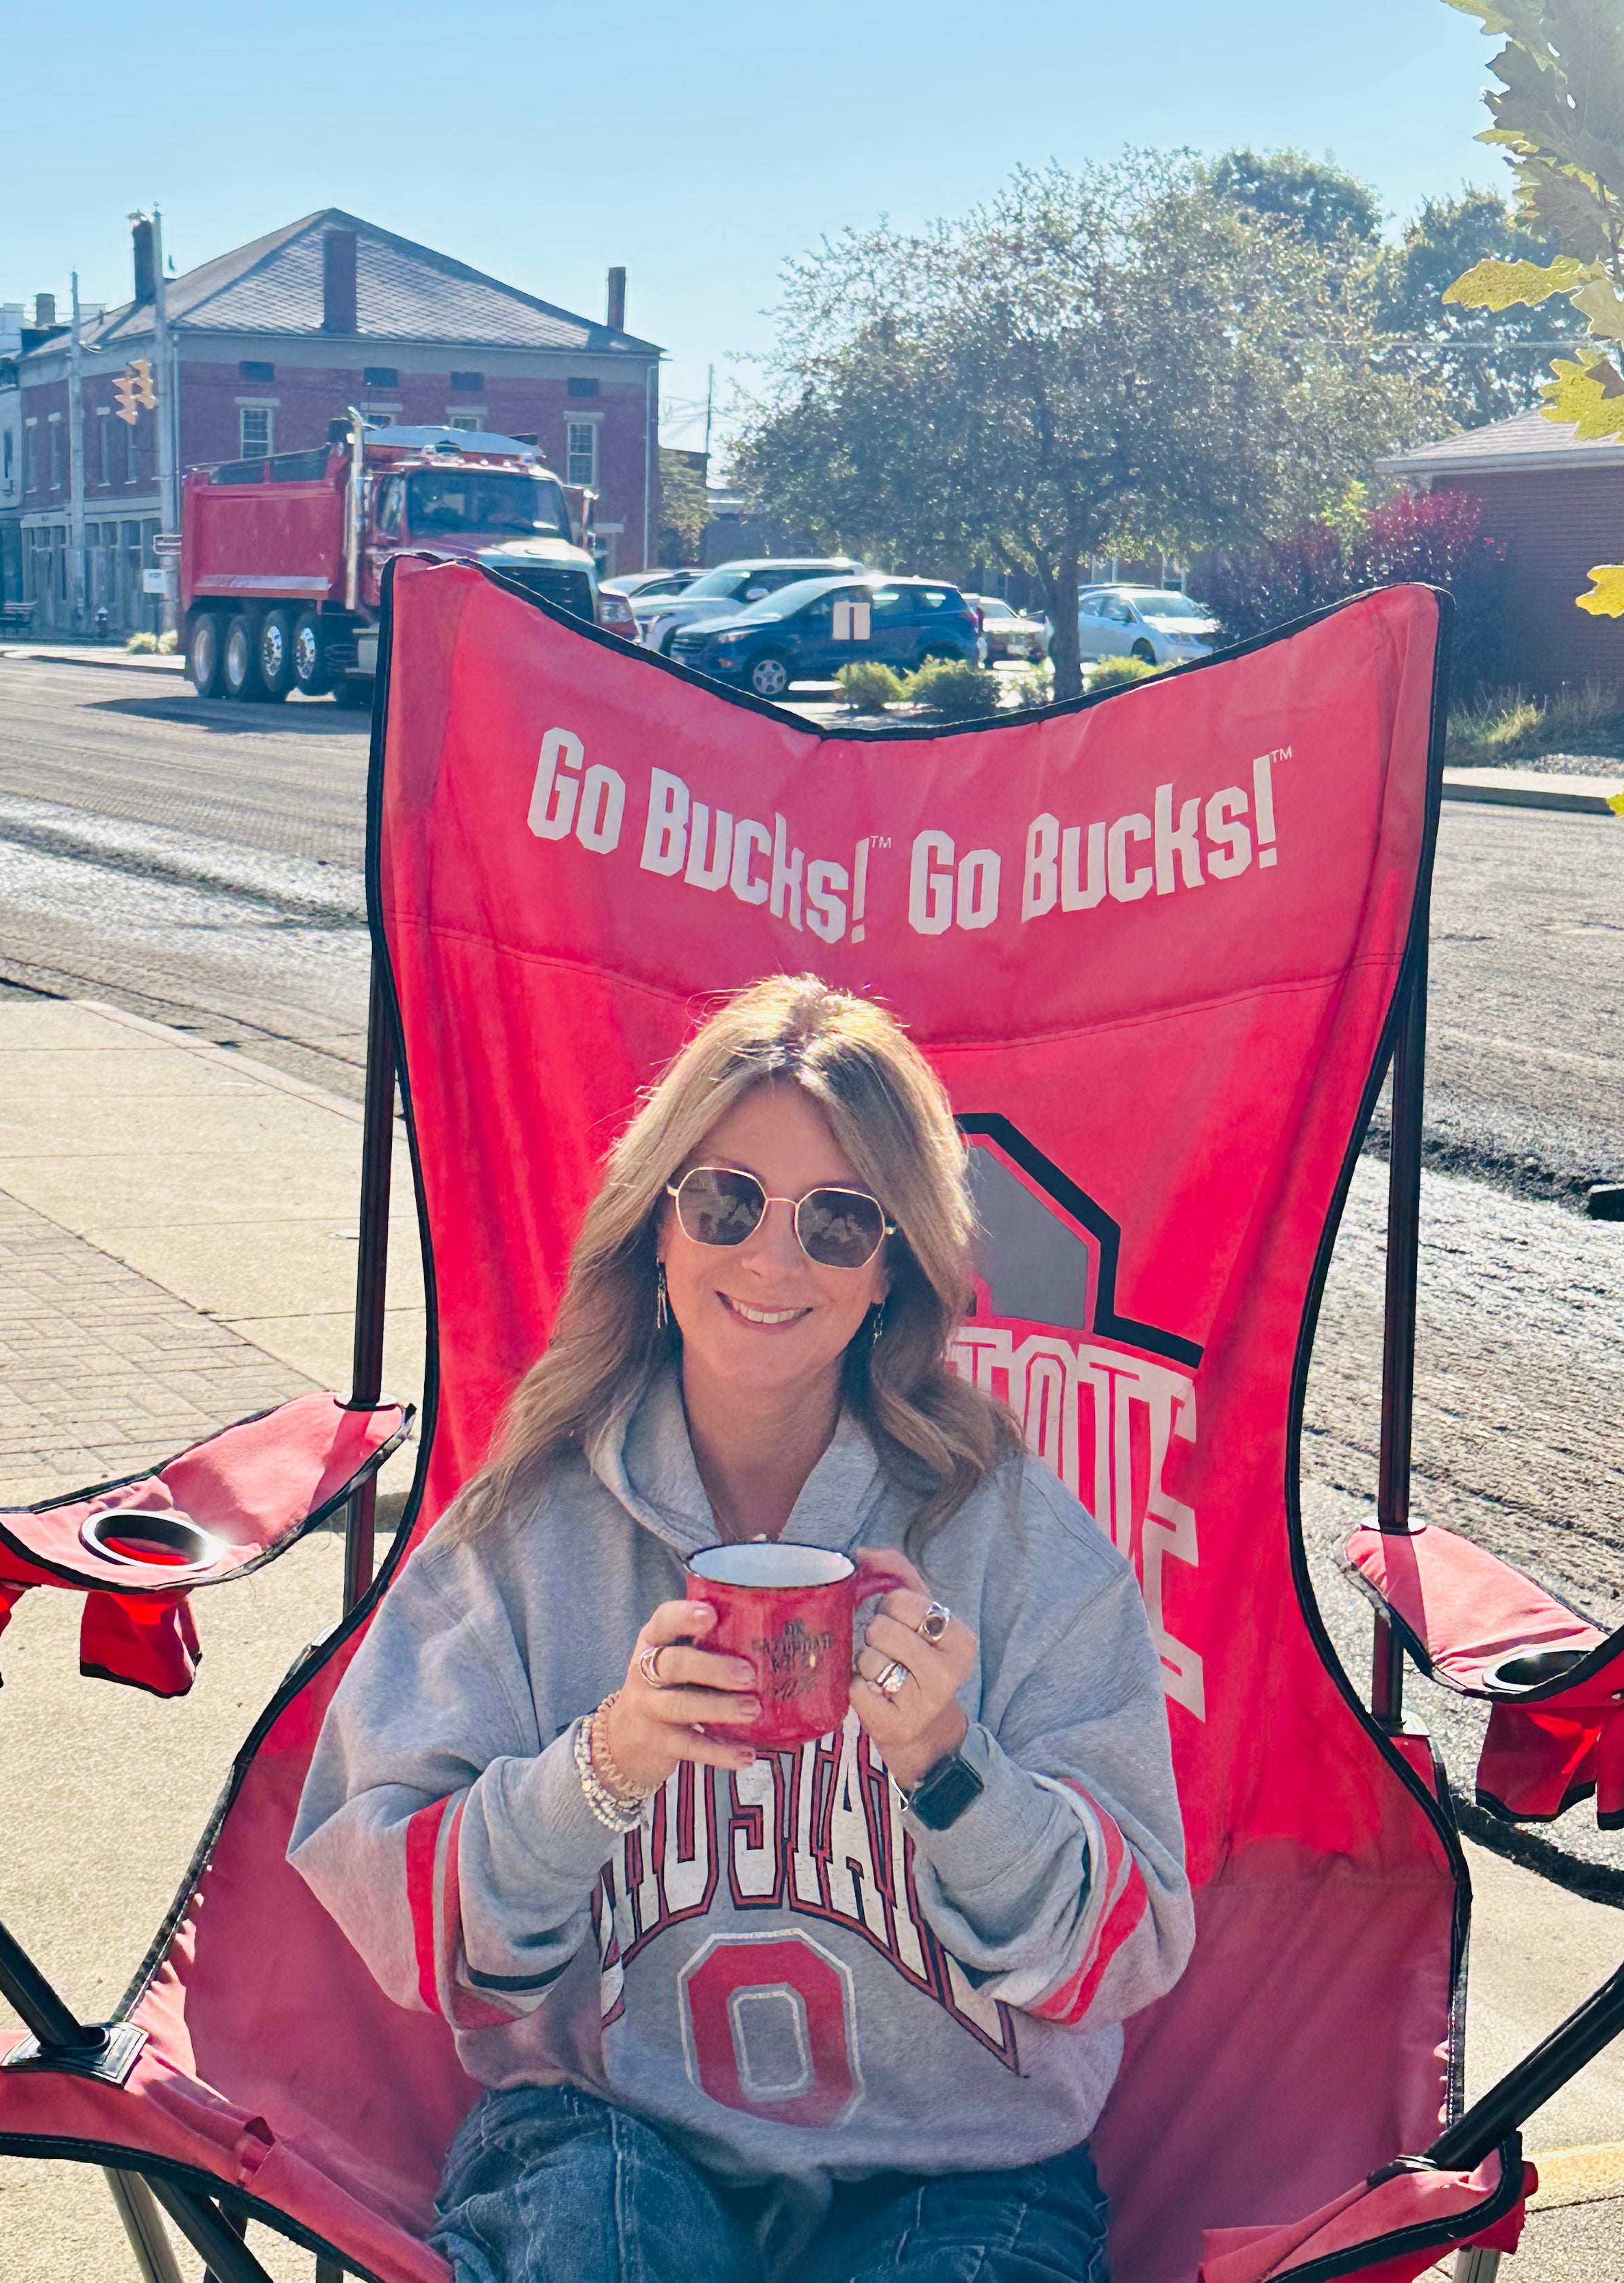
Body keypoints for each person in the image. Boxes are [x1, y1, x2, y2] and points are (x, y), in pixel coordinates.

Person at [291, 976, 1191, 2283]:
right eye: (724, 1202)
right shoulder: (530, 1526)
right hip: (605, 2133)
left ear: (894, 1269)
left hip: (963, 2161)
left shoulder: (1009, 1534)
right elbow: (393, 1906)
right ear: (657, 1227)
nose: (773, 1261)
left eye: (840, 1222)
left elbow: (1129, 1947)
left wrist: (951, 1769)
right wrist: (601, 1768)